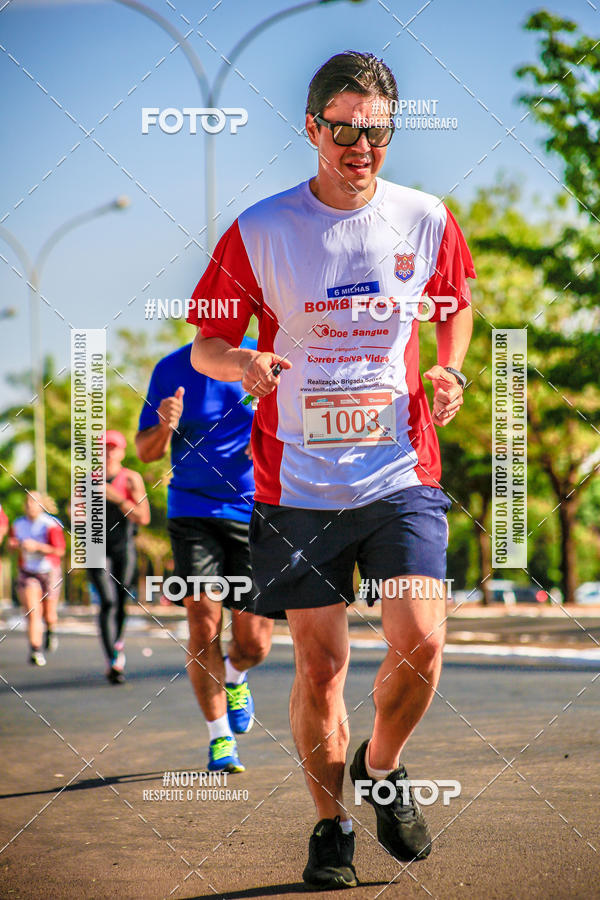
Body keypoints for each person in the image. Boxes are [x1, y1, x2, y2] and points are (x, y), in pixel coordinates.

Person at [187, 50, 475, 888]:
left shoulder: (425, 217)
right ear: (312, 128)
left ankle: (381, 768)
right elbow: (204, 342)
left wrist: (449, 370)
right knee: (320, 666)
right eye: (344, 127)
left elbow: (452, 310)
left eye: (376, 129)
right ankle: (331, 825)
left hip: (400, 470)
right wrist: (239, 362)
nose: (361, 145)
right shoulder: (261, 229)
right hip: (298, 484)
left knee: (421, 643)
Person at [135, 338, 273, 773]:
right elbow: (145, 452)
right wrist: (164, 426)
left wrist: (268, 439)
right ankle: (220, 738)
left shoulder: (264, 357)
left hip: (256, 508)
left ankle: (236, 675)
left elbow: (300, 425)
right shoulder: (170, 369)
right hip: (192, 510)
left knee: (254, 643)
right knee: (202, 621)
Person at [88, 430, 150, 684]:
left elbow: (143, 517)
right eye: (104, 448)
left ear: (122, 452)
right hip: (95, 546)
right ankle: (112, 658)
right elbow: (75, 514)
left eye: (114, 448)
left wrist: (118, 499)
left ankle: (118, 646)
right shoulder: (88, 480)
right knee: (107, 602)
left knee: (121, 601)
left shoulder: (131, 479)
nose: (109, 452)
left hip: (123, 546)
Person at [9, 491, 65, 666]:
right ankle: (35, 649)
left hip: (49, 570)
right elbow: (11, 544)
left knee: (49, 613)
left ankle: (51, 629)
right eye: (28, 502)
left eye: (34, 502)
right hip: (28, 571)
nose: (30, 506)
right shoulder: (18, 524)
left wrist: (38, 547)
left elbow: (60, 551)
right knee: (33, 612)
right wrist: (16, 545)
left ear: (41, 505)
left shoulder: (50, 524)